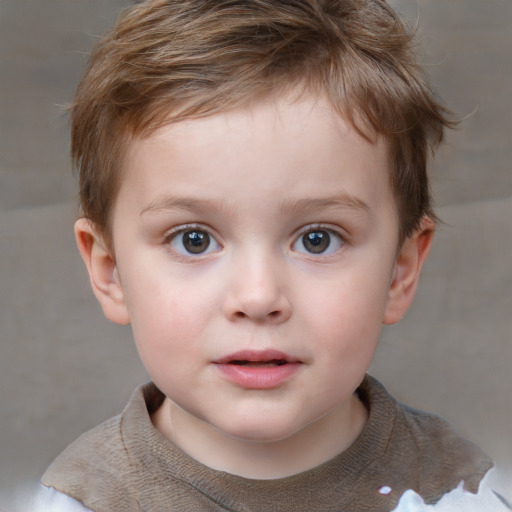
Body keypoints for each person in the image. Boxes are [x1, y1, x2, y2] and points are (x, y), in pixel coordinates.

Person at [37, 0, 510, 510]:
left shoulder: (458, 492)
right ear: (111, 274)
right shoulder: (86, 501)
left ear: (400, 271)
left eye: (317, 239)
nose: (259, 297)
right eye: (194, 239)